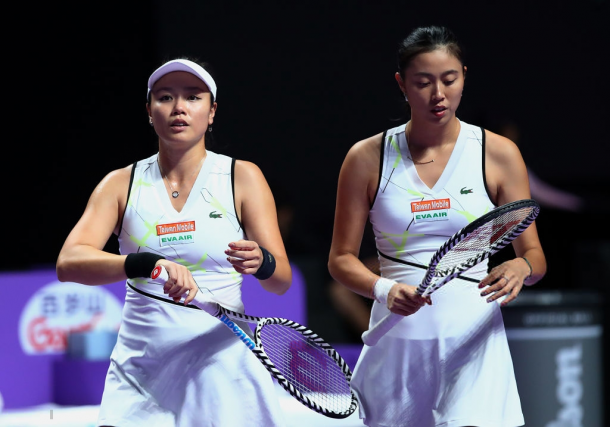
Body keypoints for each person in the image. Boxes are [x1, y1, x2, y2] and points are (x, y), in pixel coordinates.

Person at [327, 26, 546, 427]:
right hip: (397, 343)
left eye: (449, 79)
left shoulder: (498, 153)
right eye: (423, 82)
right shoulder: (365, 157)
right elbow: (340, 260)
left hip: (475, 342)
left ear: (464, 75)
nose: (438, 94)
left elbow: (534, 257)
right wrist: (384, 288)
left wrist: (521, 267)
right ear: (402, 84)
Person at [56, 57, 292, 427]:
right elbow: (69, 263)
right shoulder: (120, 183)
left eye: (193, 97)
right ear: (149, 111)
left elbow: (281, 282)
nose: (179, 107)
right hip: (144, 365)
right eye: (165, 97)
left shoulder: (241, 177)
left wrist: (262, 262)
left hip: (223, 362)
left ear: (211, 111)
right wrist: (146, 263)